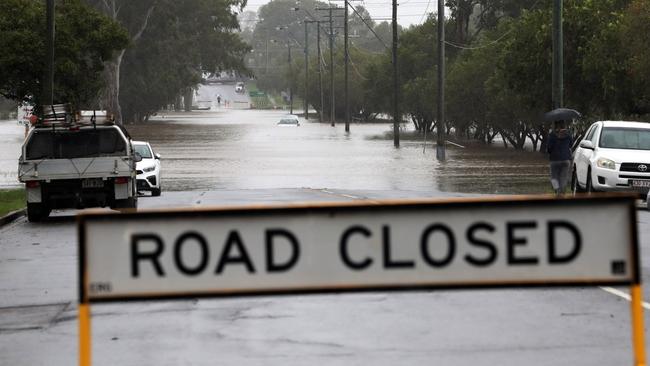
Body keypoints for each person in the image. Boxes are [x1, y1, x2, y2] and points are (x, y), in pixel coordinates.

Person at [546, 120, 573, 195]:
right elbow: (571, 144)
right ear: (564, 125)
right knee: (563, 177)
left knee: (554, 177)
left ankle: (557, 189)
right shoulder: (568, 134)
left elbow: (549, 148)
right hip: (566, 159)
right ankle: (562, 192)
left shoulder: (552, 134)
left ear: (555, 125)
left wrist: (550, 151)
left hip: (554, 159)